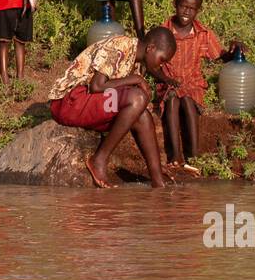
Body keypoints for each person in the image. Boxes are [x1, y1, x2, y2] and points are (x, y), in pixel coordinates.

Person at [47, 27, 177, 189]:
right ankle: (99, 159)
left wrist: (134, 79)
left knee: (142, 115)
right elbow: (96, 86)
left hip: (89, 102)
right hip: (69, 101)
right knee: (137, 98)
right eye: (162, 60)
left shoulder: (137, 62)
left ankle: (157, 178)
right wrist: (134, 79)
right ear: (150, 49)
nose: (161, 66)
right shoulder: (120, 46)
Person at [154, 0, 243, 178]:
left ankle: (194, 157)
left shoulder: (203, 33)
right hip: (168, 82)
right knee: (172, 100)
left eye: (191, 8)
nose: (186, 11)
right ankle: (175, 157)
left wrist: (235, 50)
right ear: (175, 5)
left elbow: (220, 56)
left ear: (198, 10)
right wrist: (165, 79)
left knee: (187, 101)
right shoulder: (164, 31)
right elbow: (152, 63)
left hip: (193, 84)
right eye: (183, 6)